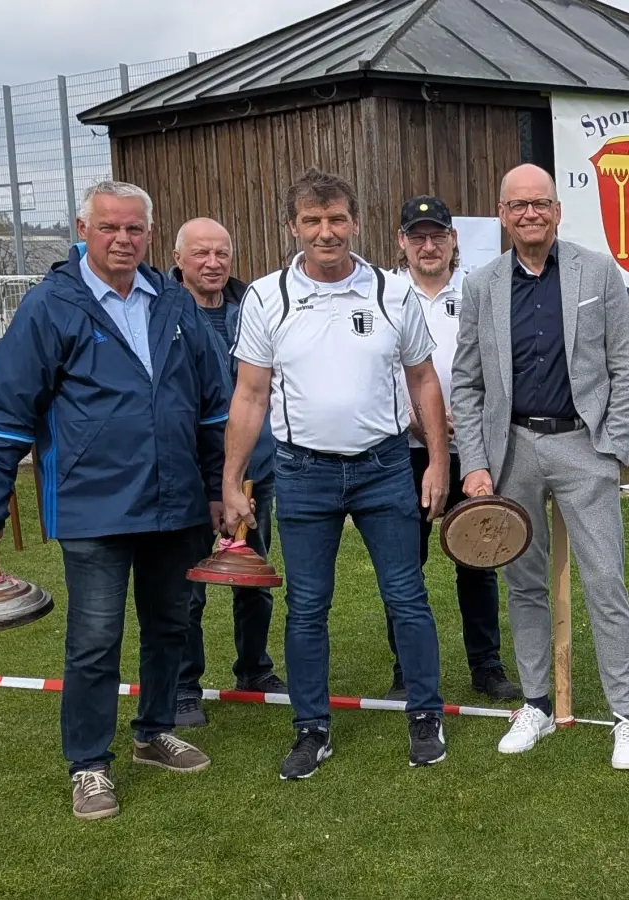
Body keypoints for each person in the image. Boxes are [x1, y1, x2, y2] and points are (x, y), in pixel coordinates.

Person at [0, 181, 227, 820]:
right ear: (83, 230)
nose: (122, 240)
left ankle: (152, 731)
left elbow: (214, 403)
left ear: (148, 233)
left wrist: (223, 486)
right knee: (94, 640)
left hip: (177, 503)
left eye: (134, 229)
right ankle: (88, 763)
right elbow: (8, 413)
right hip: (94, 506)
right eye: (109, 228)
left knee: (172, 624)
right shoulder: (50, 306)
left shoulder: (174, 301)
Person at [223, 168, 450, 779]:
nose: (327, 232)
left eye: (337, 219)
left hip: (382, 468)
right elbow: (249, 395)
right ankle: (311, 728)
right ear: (293, 226)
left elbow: (423, 378)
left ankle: (425, 715)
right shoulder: (267, 298)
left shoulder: (391, 292)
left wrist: (437, 460)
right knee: (307, 606)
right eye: (313, 221)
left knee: (406, 596)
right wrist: (230, 480)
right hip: (302, 474)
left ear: (356, 221)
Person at [450, 164, 629, 770]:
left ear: (558, 210)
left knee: (605, 581)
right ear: (503, 215)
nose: (529, 214)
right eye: (517, 206)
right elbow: (467, 382)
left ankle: (626, 717)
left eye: (540, 203)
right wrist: (476, 465)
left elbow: (625, 366)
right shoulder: (482, 285)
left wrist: (611, 447)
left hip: (582, 447)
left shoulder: (596, 271)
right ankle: (536, 703)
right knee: (524, 584)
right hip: (512, 452)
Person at [382, 194, 520, 703]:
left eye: (437, 235)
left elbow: (497, 364)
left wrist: (475, 421)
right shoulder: (387, 293)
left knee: (479, 556)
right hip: (407, 447)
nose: (428, 246)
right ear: (402, 242)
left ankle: (486, 665)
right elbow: (385, 370)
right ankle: (406, 668)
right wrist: (421, 423)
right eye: (417, 237)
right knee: (404, 563)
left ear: (453, 239)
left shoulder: (478, 289)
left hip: (472, 446)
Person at [170, 217, 287, 729]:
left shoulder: (254, 309)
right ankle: (182, 687)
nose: (213, 263)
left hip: (255, 470)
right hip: (190, 475)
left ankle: (254, 669)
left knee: (255, 577)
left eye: (222, 253)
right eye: (201, 254)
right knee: (187, 586)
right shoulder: (161, 313)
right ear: (178, 259)